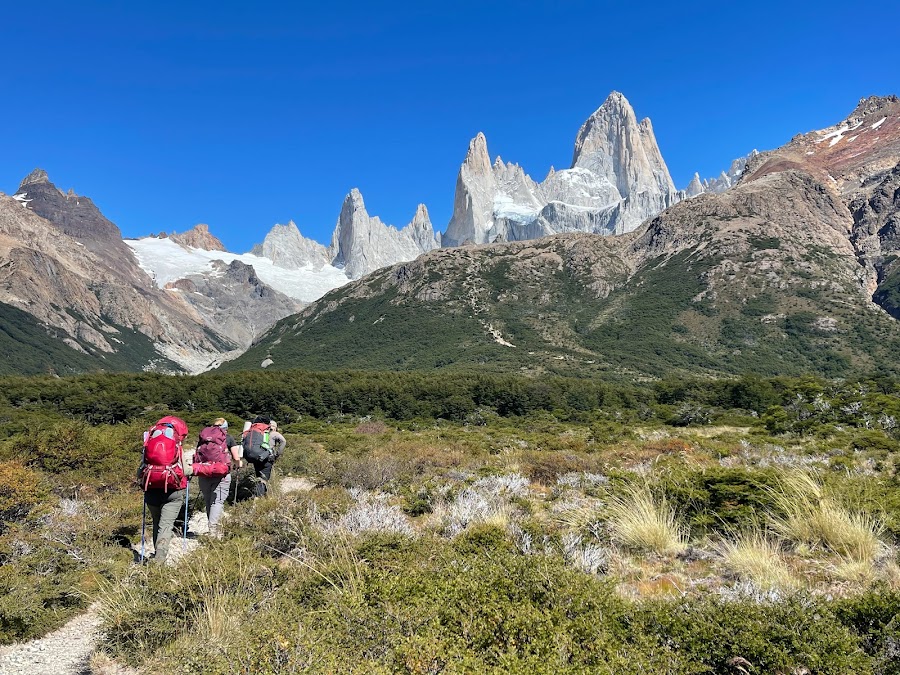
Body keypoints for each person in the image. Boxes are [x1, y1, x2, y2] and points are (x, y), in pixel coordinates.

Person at [195, 418, 242, 538]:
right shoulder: (228, 438)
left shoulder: (204, 437)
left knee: (208, 500)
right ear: (226, 428)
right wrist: (238, 464)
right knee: (217, 501)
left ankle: (211, 527)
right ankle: (213, 530)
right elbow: (236, 458)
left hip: (204, 472)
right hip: (221, 473)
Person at [246, 417, 286, 497]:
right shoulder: (274, 433)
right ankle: (257, 499)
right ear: (274, 427)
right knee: (263, 479)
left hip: (257, 457)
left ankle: (262, 496)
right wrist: (277, 454)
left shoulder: (259, 433)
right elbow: (283, 441)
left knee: (259, 477)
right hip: (267, 459)